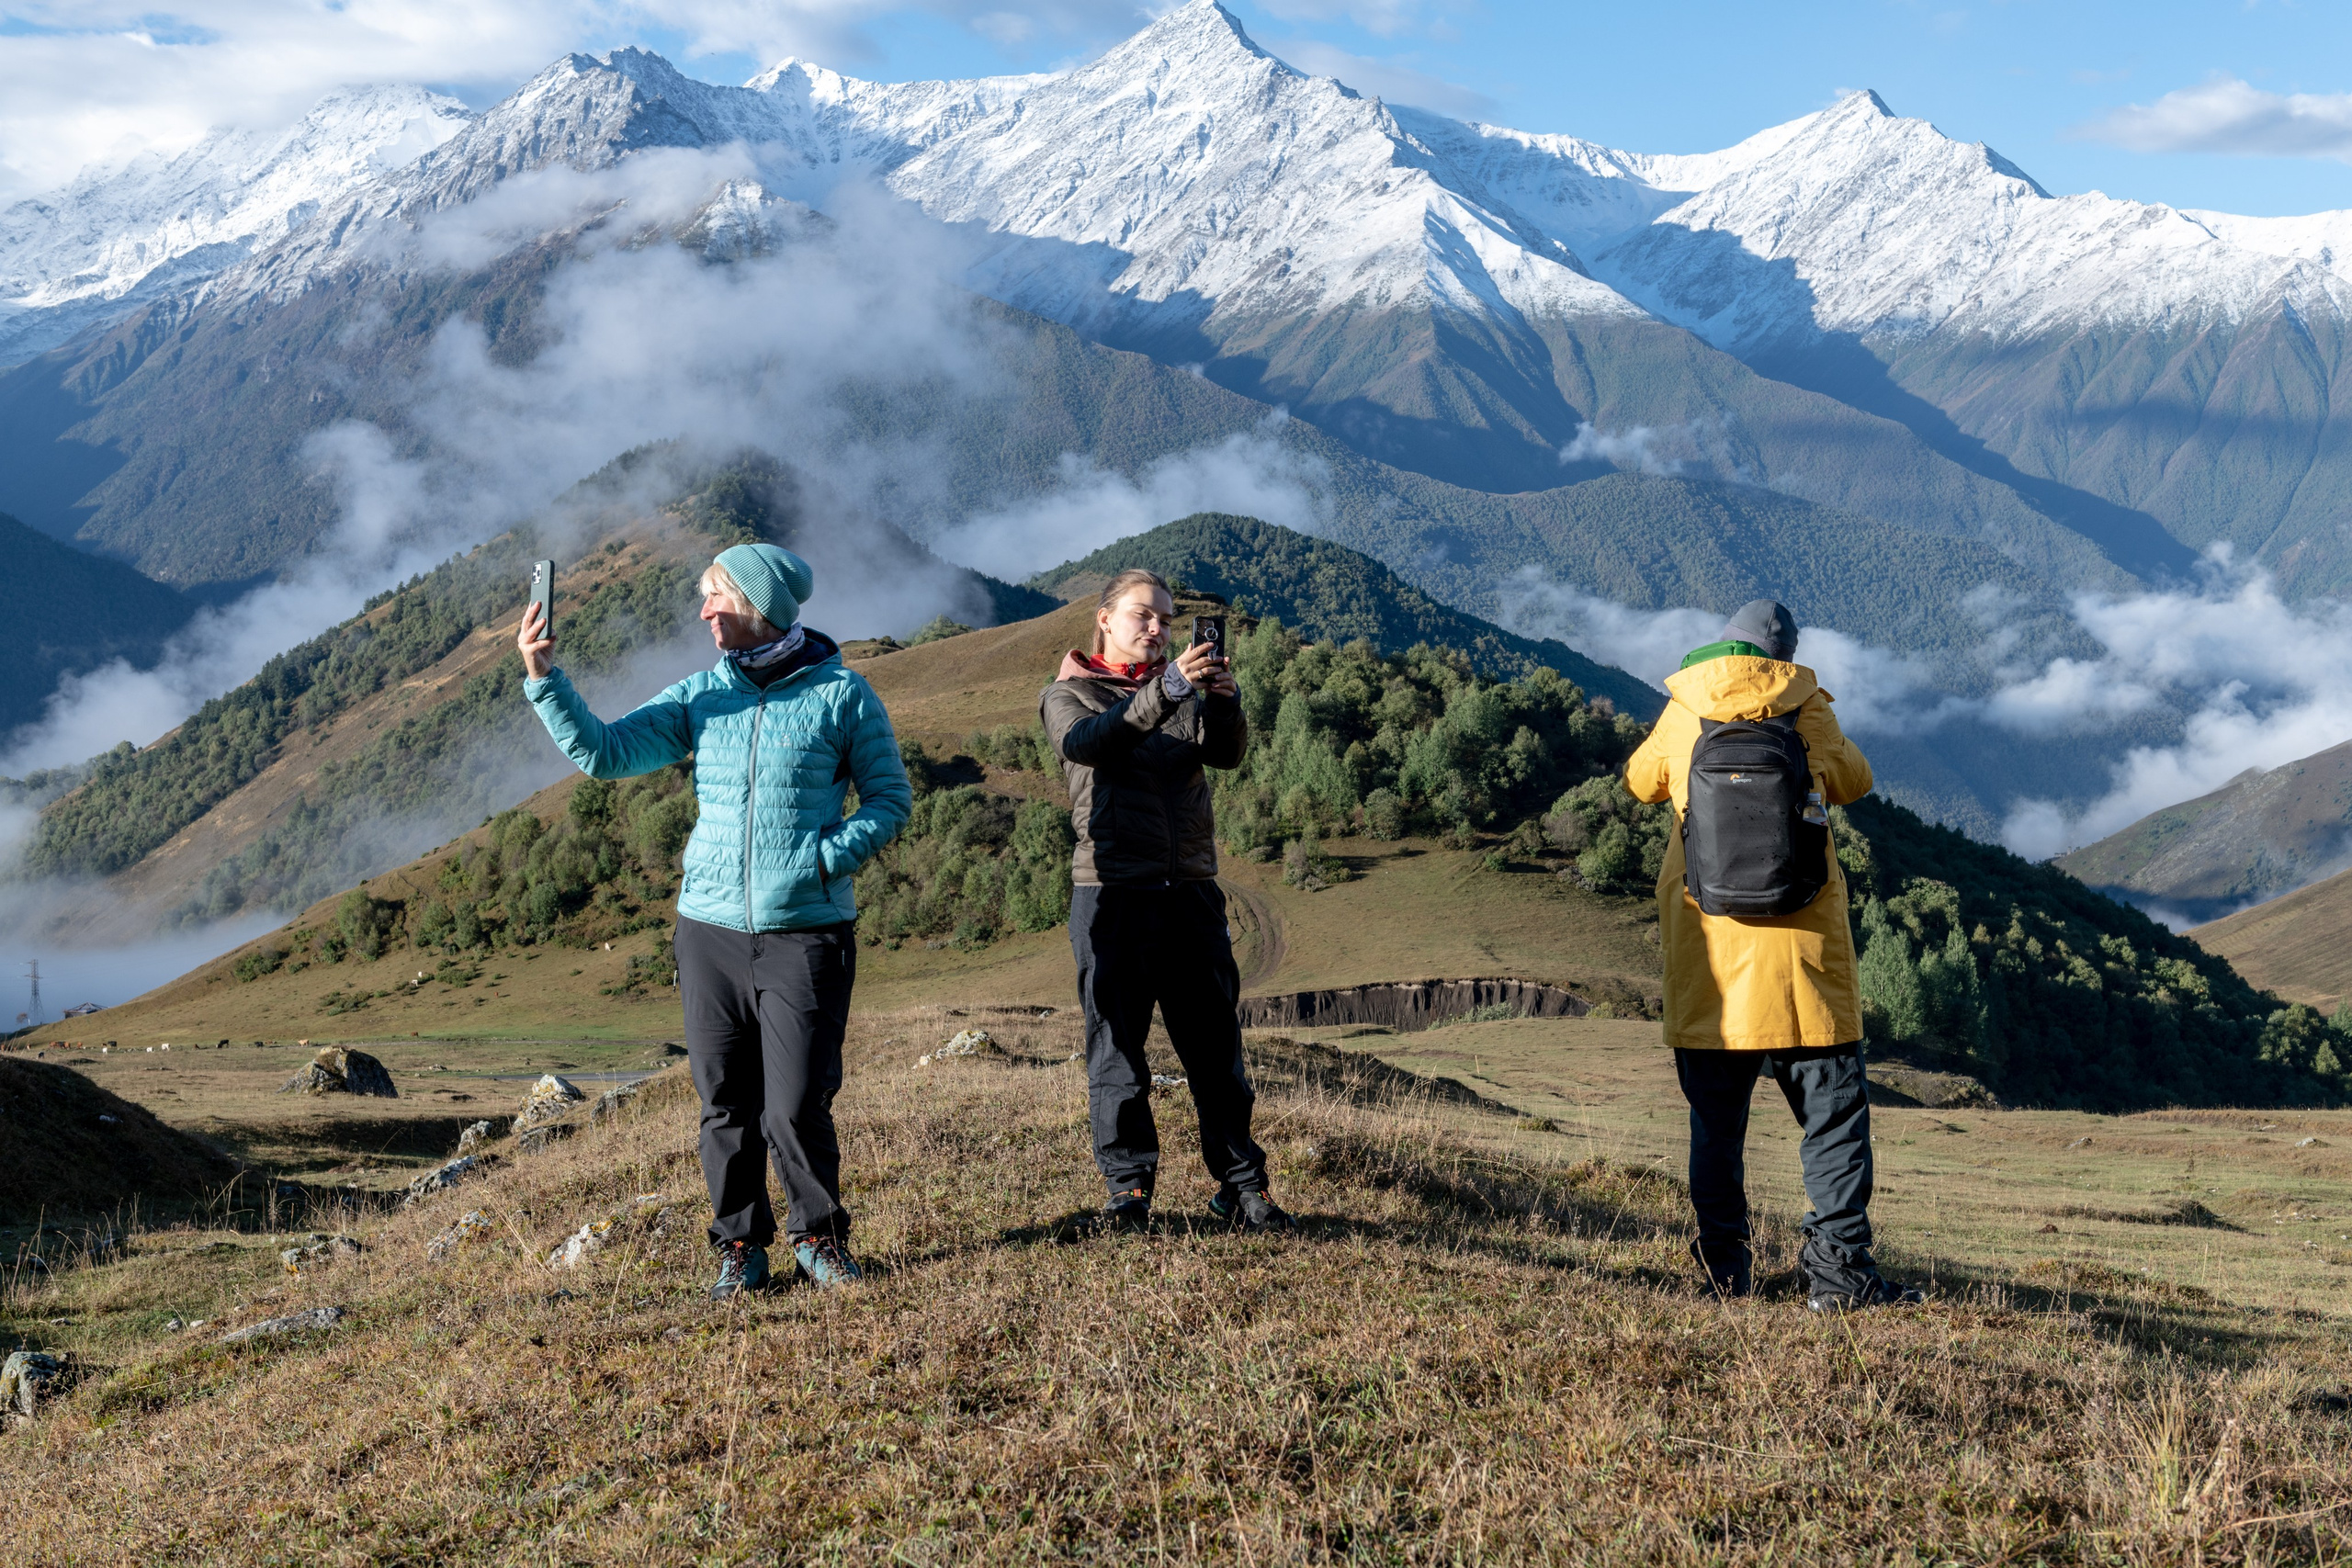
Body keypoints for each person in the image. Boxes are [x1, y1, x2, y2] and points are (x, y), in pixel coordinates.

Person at [518, 543, 911, 1299]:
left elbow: (890, 800)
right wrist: (543, 677)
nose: (703, 612)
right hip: (708, 933)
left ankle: (819, 1238)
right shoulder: (703, 694)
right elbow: (606, 752)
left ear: (760, 605)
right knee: (724, 1103)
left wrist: (819, 861)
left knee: (795, 1104)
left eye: (716, 597)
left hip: (807, 932)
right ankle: (740, 1247)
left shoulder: (843, 695)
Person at [1624, 599, 1923, 1310]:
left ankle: (1725, 1275)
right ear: (1785, 655)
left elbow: (1640, 781)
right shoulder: (1806, 706)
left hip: (1712, 974)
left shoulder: (1686, 706)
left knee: (1715, 1131)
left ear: (1726, 644)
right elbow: (1856, 780)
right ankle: (1839, 1278)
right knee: (1833, 1126)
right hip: (1804, 970)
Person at [1040, 570, 1292, 1234]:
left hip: (1191, 893)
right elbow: (1089, 744)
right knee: (1117, 1051)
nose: (1158, 629)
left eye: (1167, 620)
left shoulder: (1178, 691)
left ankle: (1242, 1188)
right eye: (1144, 615)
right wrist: (1172, 686)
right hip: (1113, 894)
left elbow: (1227, 755)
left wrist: (1225, 703)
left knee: (1216, 1052)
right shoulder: (1069, 693)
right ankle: (1129, 1192)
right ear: (1104, 618)